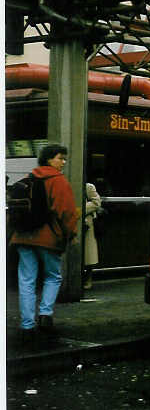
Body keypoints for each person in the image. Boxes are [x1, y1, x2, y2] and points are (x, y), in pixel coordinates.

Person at [9, 144, 80, 342]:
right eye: (60, 158)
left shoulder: (28, 179)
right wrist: (71, 234)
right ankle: (45, 316)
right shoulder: (58, 181)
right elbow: (66, 212)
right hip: (48, 237)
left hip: (22, 236)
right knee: (53, 277)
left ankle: (27, 324)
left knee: (27, 280)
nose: (63, 162)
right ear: (49, 159)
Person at [82, 182, 102, 290]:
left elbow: (97, 202)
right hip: (73, 221)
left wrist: (80, 208)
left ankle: (88, 279)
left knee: (89, 255)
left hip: (87, 223)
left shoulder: (88, 187)